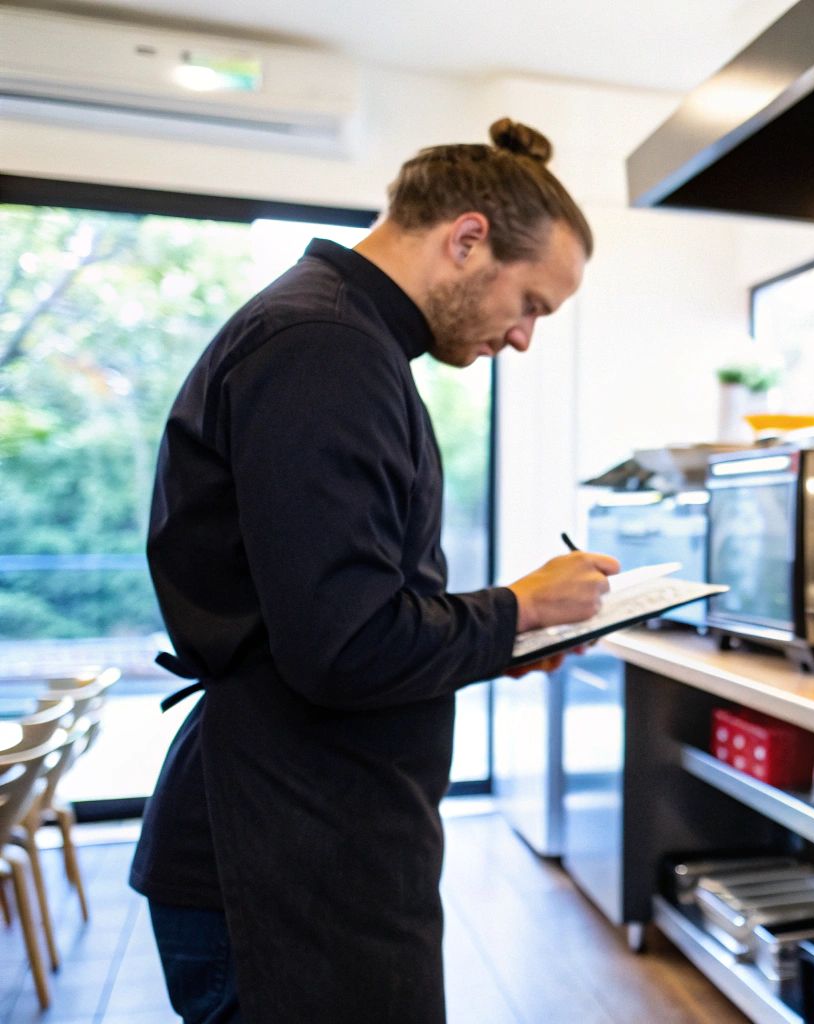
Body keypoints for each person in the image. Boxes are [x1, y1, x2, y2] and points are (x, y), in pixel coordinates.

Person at [131, 118, 617, 1023]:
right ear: (467, 239)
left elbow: (338, 615)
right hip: (284, 852)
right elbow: (345, 647)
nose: (523, 339)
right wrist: (512, 610)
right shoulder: (324, 348)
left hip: (313, 834)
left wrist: (507, 637)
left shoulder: (344, 339)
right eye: (532, 304)